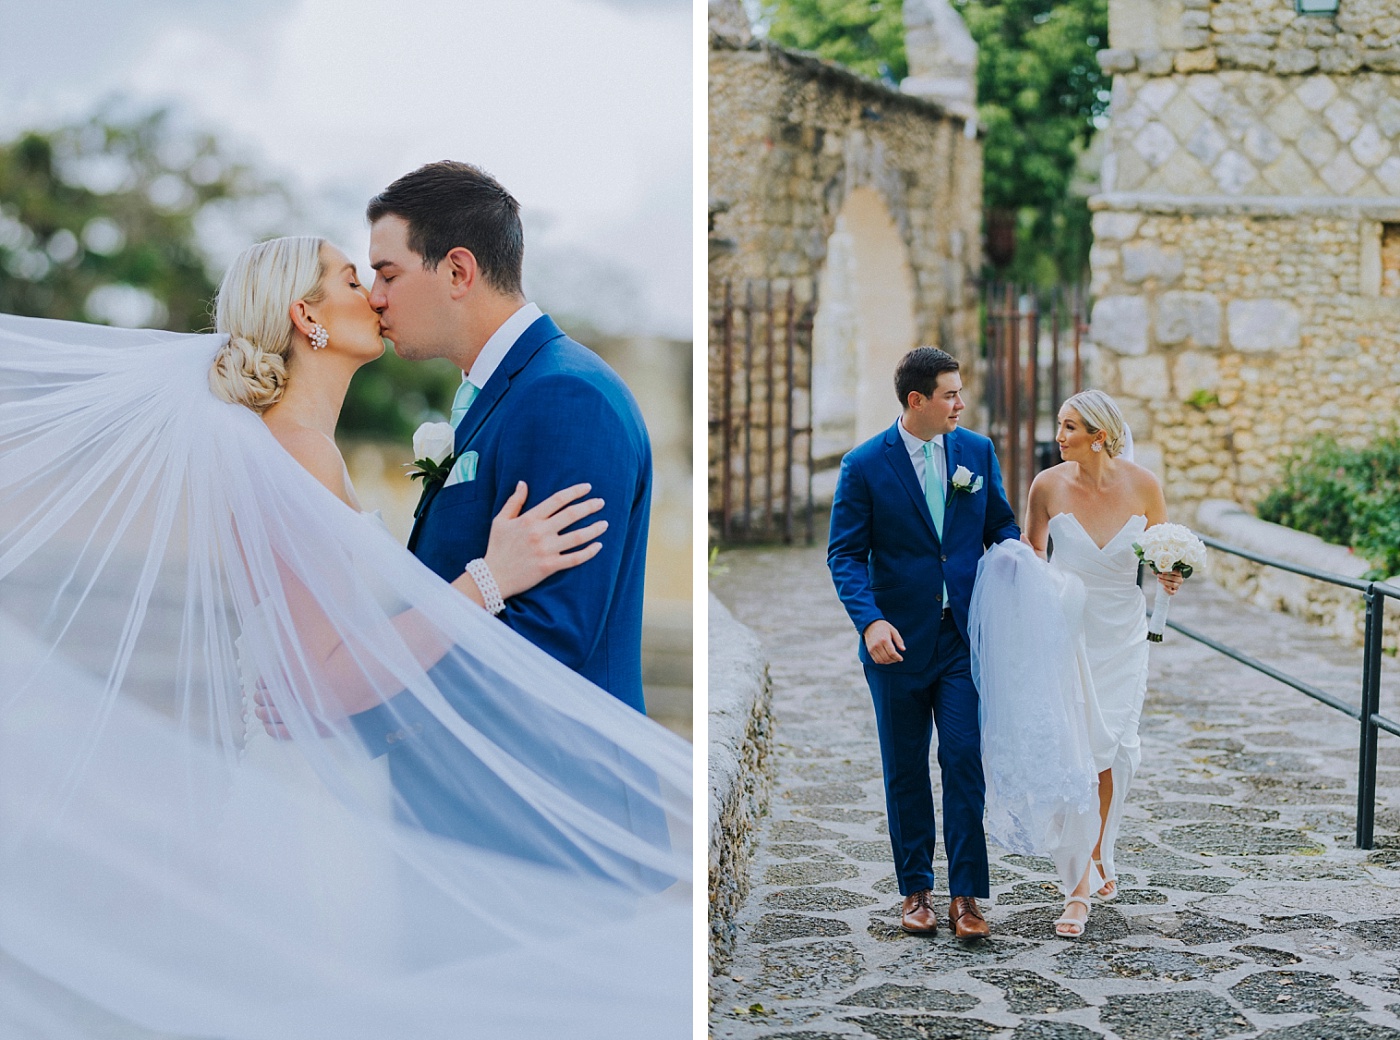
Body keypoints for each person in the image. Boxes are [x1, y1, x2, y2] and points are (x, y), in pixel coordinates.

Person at [0, 232, 689, 1038]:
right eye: (351, 279)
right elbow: (325, 680)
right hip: (318, 801)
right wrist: (488, 579)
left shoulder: (296, 447)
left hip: (324, 779)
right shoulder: (294, 454)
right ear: (307, 317)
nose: (375, 293)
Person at [827, 347, 1020, 940]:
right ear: (918, 401)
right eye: (951, 394)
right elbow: (844, 555)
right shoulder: (863, 465)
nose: (961, 403)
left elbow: (1001, 527)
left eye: (959, 393)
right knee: (905, 768)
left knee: (963, 759)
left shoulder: (977, 452)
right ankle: (916, 890)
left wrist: (1018, 569)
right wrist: (870, 621)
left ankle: (967, 897)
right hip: (897, 645)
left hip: (962, 636)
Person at [974, 389, 1180, 939]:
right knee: (1075, 749)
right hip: (1066, 632)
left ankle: (1096, 851)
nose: (1059, 436)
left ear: (1100, 436)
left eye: (1069, 427)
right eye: (1059, 426)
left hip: (1123, 634)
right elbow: (1031, 559)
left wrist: (1171, 575)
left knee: (1110, 748)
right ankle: (1077, 889)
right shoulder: (1047, 486)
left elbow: (1163, 554)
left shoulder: (1144, 486)